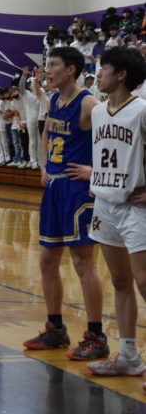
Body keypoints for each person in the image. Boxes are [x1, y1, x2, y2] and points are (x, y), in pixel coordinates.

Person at [66, 47, 146, 384]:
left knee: (145, 282)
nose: (97, 74)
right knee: (120, 281)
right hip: (105, 204)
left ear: (122, 74)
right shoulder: (99, 112)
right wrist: (93, 173)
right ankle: (128, 356)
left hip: (136, 207)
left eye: (104, 68)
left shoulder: (142, 109)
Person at [22, 46, 108, 362]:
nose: (47, 70)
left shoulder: (89, 103)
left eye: (53, 64)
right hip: (55, 187)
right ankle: (56, 329)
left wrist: (94, 172)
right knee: (47, 260)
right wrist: (43, 165)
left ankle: (97, 335)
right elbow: (45, 134)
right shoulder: (56, 99)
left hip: (78, 190)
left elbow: (115, 140)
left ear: (71, 69)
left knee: (83, 263)